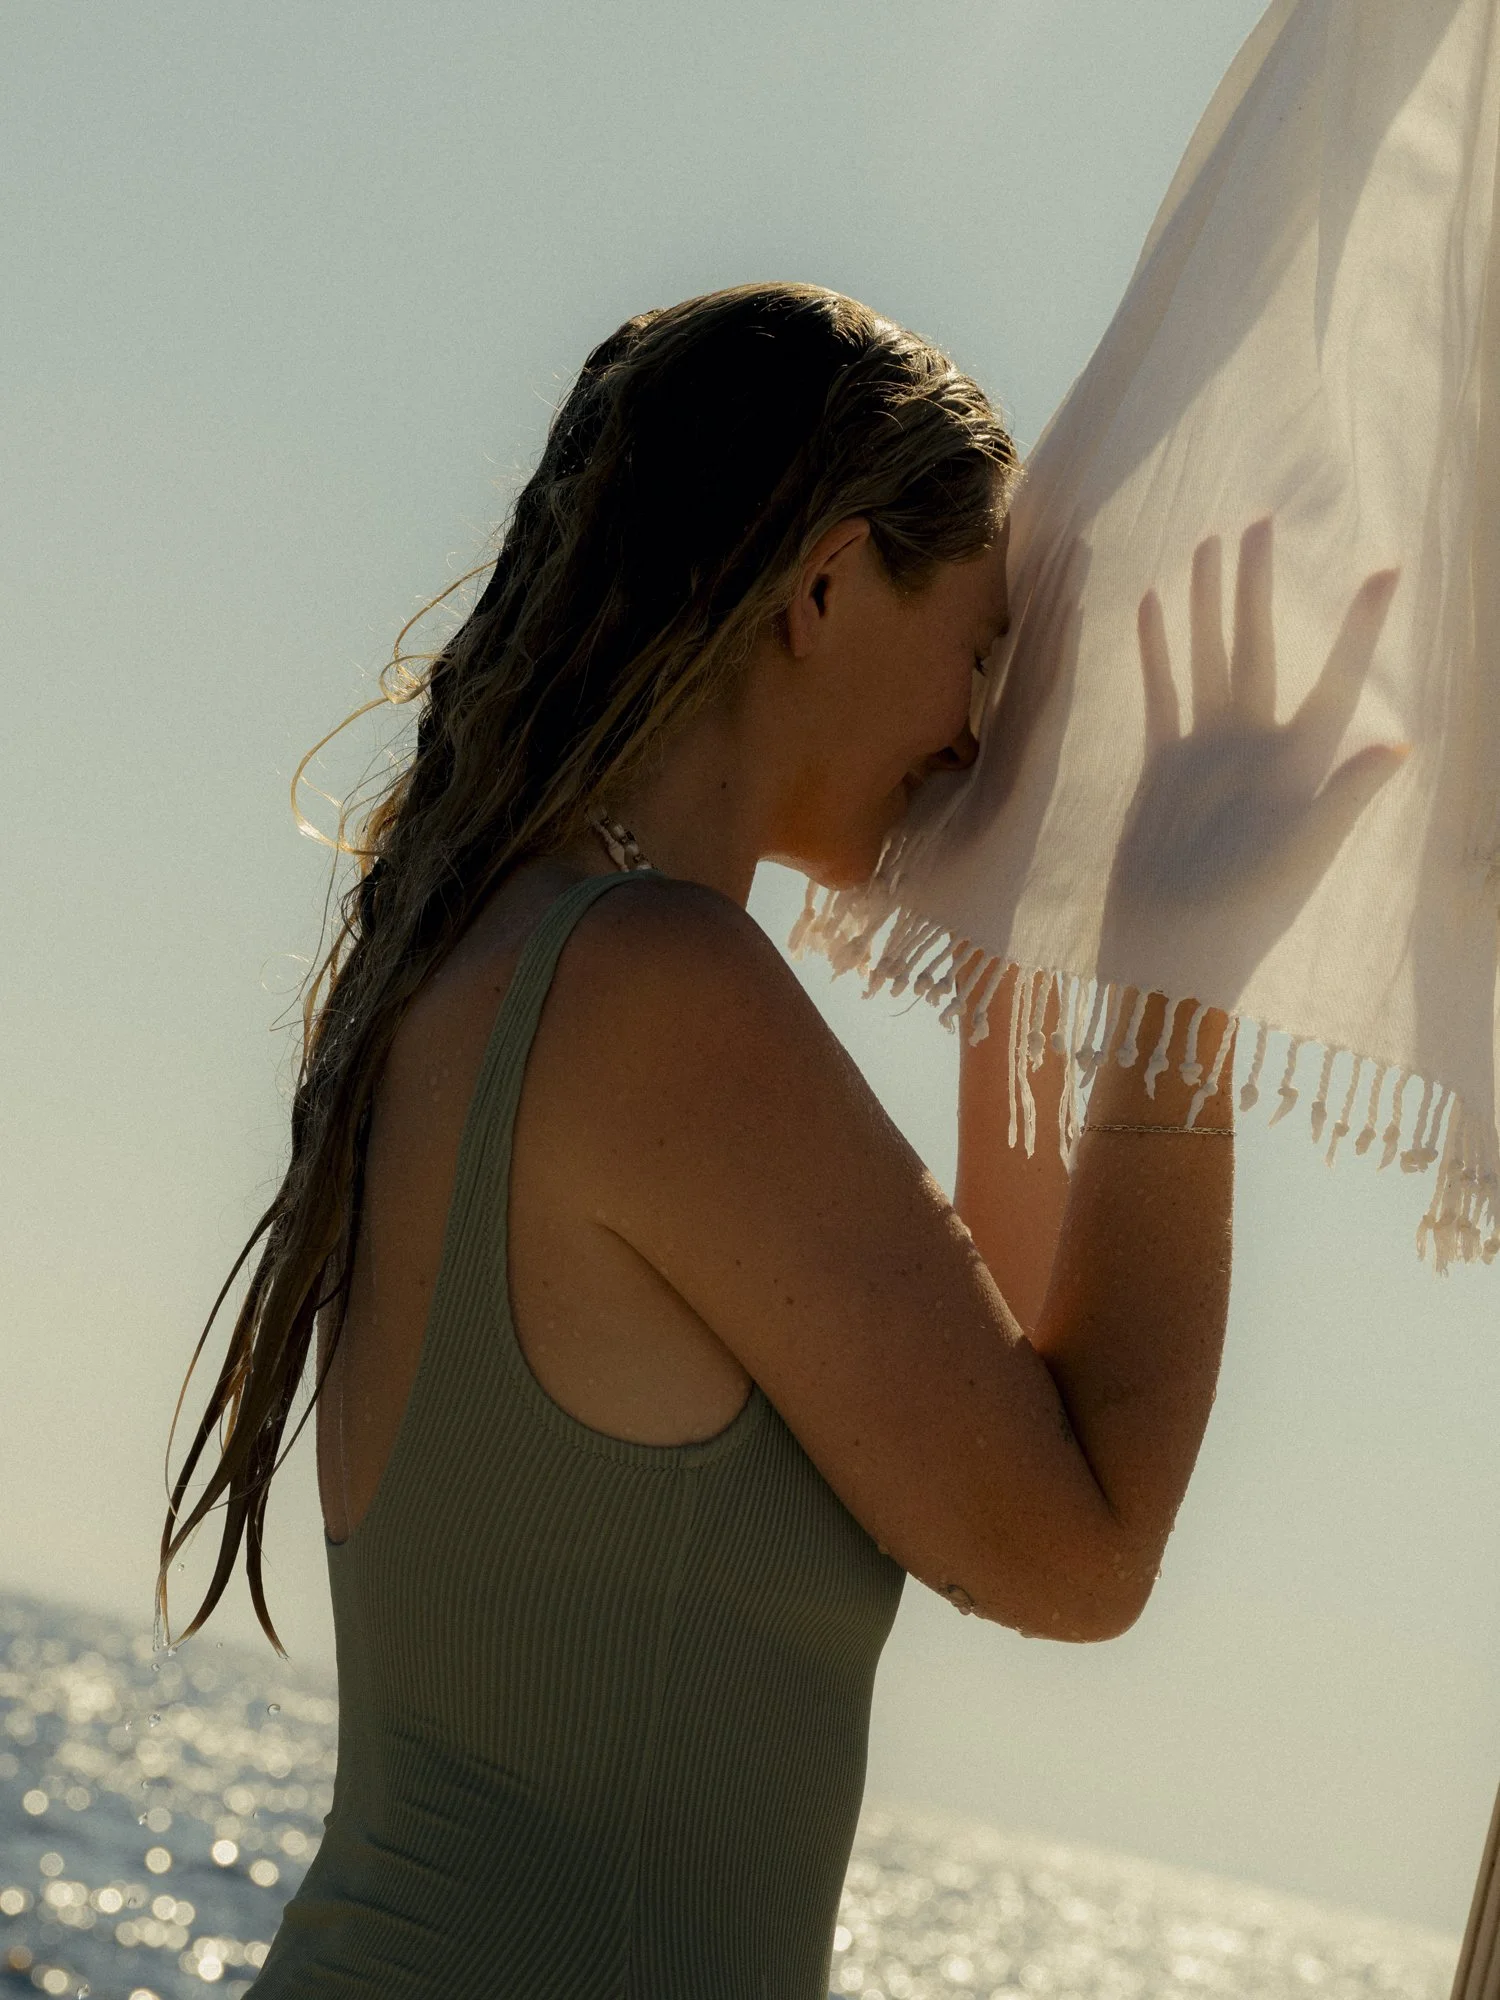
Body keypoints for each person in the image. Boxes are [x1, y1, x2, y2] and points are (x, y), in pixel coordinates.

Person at [162, 281, 1246, 1997]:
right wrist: (1192, 975)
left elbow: (1020, 1397)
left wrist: (1035, 917)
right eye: (977, 653)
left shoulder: (490, 955)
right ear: (823, 584)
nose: (983, 729)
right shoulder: (655, 985)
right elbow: (1080, 1541)